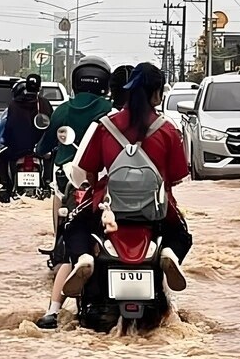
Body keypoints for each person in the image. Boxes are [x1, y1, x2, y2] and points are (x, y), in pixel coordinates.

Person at [61, 62, 192, 300]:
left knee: (73, 226)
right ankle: (169, 254)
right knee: (181, 233)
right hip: (156, 211)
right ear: (157, 94)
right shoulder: (168, 130)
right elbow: (176, 177)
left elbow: (89, 171)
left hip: (109, 209)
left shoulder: (105, 126)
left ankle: (84, 258)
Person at [35, 56, 113, 330]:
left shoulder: (63, 110)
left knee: (68, 240)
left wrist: (41, 151)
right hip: (106, 186)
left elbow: (43, 145)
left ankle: (54, 307)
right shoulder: (111, 111)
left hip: (68, 179)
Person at [0, 73, 55, 203]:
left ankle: (6, 186)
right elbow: (51, 127)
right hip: (40, 150)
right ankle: (47, 182)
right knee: (51, 155)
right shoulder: (45, 103)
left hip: (18, 150)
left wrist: (6, 142)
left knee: (0, 157)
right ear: (39, 88)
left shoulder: (14, 104)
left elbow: (9, 127)